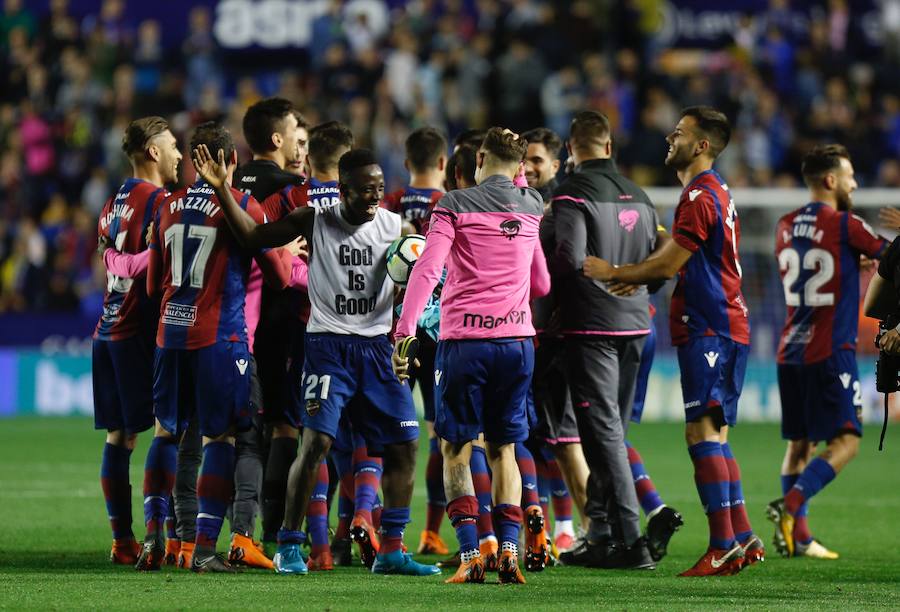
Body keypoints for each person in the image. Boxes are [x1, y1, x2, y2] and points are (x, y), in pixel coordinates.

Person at [193, 144, 440, 577]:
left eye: (380, 188)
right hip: (329, 348)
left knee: (405, 444)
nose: (374, 197)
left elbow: (414, 284)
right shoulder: (314, 220)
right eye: (365, 190)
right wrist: (222, 191)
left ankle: (392, 551)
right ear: (342, 190)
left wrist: (406, 334)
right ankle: (290, 544)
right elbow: (252, 238)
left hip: (378, 350)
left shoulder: (395, 226)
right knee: (317, 445)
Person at [582, 106, 764, 576]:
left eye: (680, 133)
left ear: (701, 145)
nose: (670, 136)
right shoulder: (715, 191)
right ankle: (741, 536)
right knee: (717, 435)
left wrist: (614, 272)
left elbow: (667, 267)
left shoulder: (700, 197)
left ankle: (722, 544)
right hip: (725, 323)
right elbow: (678, 253)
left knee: (700, 433)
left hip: (709, 324)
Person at [393, 127, 551, 585]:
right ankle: (507, 550)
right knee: (505, 449)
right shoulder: (533, 206)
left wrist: (404, 330)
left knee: (455, 448)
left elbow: (428, 267)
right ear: (521, 168)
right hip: (519, 342)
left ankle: (469, 553)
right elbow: (540, 283)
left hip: (465, 342)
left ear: (478, 158)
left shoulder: (454, 205)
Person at [138, 121, 288, 573]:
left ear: (193, 159)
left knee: (167, 432)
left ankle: (154, 538)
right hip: (219, 338)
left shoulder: (166, 206)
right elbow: (280, 277)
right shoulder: (244, 204)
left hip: (170, 333)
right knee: (220, 437)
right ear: (231, 161)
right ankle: (204, 547)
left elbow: (150, 285)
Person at [549, 111, 658, 570]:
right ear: (609, 147)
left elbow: (568, 258)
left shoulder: (572, 192)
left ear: (571, 151)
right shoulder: (643, 195)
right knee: (610, 432)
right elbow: (661, 262)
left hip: (592, 326)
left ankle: (633, 541)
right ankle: (600, 532)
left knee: (603, 431)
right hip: (637, 325)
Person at [768, 144, 888, 560]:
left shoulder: (783, 225)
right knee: (848, 440)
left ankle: (798, 539)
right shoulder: (845, 224)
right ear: (831, 180)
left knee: (799, 445)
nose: (855, 183)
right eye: (850, 175)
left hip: (789, 349)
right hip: (830, 350)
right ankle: (792, 506)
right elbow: (890, 259)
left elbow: (817, 266)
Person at [92, 116, 179, 565]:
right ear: (153, 152)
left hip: (105, 328)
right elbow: (159, 263)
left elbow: (108, 259)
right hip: (139, 331)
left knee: (119, 437)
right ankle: (156, 536)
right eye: (173, 146)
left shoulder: (112, 201)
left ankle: (121, 541)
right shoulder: (160, 200)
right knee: (168, 427)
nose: (179, 154)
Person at [229, 96, 306, 569]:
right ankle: (276, 528)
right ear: (277, 139)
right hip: (282, 320)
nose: (300, 143)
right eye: (295, 133)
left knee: (240, 432)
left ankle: (208, 531)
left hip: (236, 321)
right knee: (285, 425)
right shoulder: (290, 187)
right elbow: (285, 262)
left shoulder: (231, 185)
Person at [383, 126, 449, 556]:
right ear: (443, 164)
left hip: (398, 327)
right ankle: (430, 532)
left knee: (389, 427)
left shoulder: (389, 204)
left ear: (407, 164)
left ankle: (374, 526)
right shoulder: (451, 204)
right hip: (440, 329)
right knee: (440, 434)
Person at [521, 126, 584, 553]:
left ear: (556, 164)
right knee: (534, 438)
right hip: (526, 335)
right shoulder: (519, 202)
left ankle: (569, 525)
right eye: (523, 159)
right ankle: (545, 526)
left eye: (537, 160)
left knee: (560, 438)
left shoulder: (563, 206)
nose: (528, 167)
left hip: (556, 338)